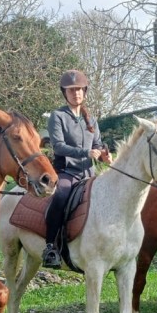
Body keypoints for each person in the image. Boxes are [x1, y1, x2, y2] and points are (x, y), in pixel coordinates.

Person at [42, 70, 110, 268]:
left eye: (79, 89)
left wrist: (104, 154)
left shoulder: (91, 120)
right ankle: (50, 247)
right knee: (60, 196)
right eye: (71, 90)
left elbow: (97, 144)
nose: (76, 93)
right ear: (65, 93)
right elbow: (58, 146)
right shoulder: (57, 116)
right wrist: (85, 153)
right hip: (67, 173)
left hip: (90, 174)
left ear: (84, 92)